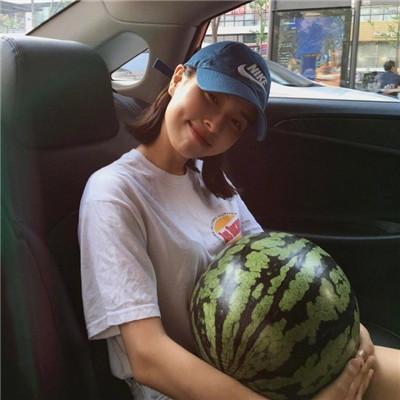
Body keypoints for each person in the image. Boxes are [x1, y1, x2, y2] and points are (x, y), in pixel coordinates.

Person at [79, 41, 399, 400]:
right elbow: (146, 356)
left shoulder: (212, 183)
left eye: (236, 121)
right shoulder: (115, 193)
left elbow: (280, 270)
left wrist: (350, 332)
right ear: (178, 79)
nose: (215, 123)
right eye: (212, 97)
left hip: (273, 365)